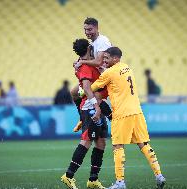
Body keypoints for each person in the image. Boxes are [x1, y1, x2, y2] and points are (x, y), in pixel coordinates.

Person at [89, 47, 166, 189]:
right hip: (137, 111)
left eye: (107, 58)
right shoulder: (127, 67)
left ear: (115, 58)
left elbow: (92, 88)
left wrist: (81, 90)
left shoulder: (109, 72)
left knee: (117, 146)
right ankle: (159, 175)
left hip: (122, 114)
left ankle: (120, 182)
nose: (104, 60)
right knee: (144, 144)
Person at [61, 39, 108, 189]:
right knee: (87, 141)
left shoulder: (85, 62)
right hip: (91, 108)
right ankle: (68, 176)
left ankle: (93, 180)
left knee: (101, 142)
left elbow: (76, 91)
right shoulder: (85, 66)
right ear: (89, 48)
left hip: (96, 106)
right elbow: (87, 88)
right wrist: (96, 106)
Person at [72, 17, 112, 132]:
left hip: (106, 77)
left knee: (93, 97)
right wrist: (77, 62)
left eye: (89, 29)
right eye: (85, 30)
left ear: (97, 28)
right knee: (74, 93)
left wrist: (82, 62)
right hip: (97, 76)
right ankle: (82, 119)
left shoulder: (102, 41)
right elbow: (87, 58)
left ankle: (113, 119)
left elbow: (99, 62)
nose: (87, 32)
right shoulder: (92, 43)